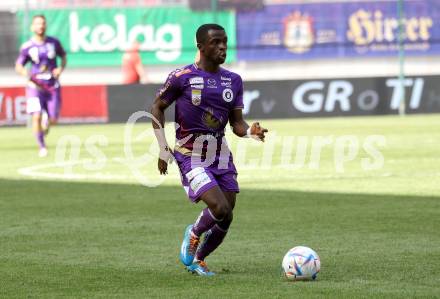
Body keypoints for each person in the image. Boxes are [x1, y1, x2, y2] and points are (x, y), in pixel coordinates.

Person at [150, 24, 268, 276]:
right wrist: (162, 148)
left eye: (224, 42)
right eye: (215, 42)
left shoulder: (233, 80)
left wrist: (250, 132)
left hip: (220, 154)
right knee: (220, 208)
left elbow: (237, 123)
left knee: (227, 216)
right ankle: (193, 233)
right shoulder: (181, 77)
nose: (222, 46)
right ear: (201, 46)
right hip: (190, 155)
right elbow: (157, 107)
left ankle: (199, 260)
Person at [15, 14, 67, 157]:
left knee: (54, 119)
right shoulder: (28, 47)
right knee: (36, 116)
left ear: (46, 25)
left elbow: (63, 57)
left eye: (43, 23)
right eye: (37, 24)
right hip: (35, 87)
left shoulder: (54, 43)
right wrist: (26, 73)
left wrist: (60, 69)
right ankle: (42, 146)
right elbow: (19, 65)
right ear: (32, 27)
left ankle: (46, 123)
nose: (40, 26)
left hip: (52, 86)